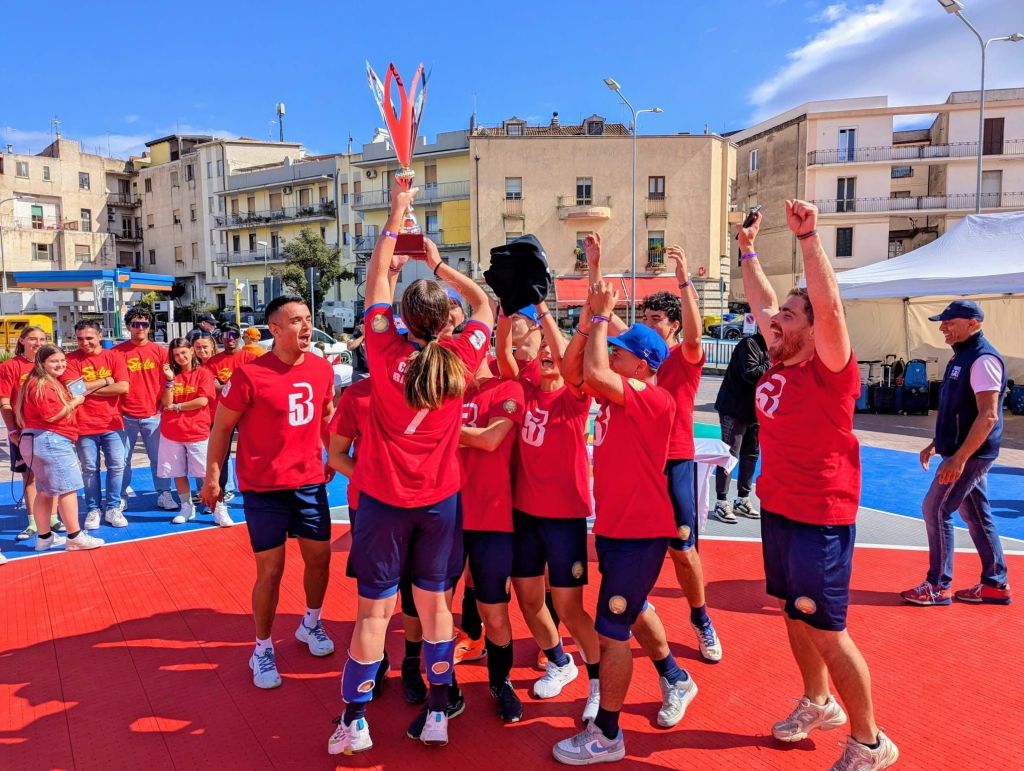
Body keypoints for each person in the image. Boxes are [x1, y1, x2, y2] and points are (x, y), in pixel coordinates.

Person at [329, 183, 493, 755]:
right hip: (440, 503)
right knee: (436, 609)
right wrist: (440, 265)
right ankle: (439, 713)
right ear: (446, 323)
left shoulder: (382, 352)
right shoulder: (463, 356)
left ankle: (354, 721)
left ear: (402, 319)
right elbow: (484, 306)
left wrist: (397, 216)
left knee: (373, 615)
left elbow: (376, 278)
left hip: (382, 501)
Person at [739, 201, 898, 769]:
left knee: (827, 629)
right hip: (780, 508)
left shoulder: (830, 370)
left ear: (812, 328)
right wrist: (747, 251)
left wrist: (809, 240)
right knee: (792, 612)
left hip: (819, 514)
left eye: (788, 314)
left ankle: (870, 742)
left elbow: (829, 310)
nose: (774, 319)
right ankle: (817, 701)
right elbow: (761, 300)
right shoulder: (781, 360)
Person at [553, 282, 692, 765]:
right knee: (634, 610)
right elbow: (575, 372)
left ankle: (609, 734)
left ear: (643, 366)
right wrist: (587, 322)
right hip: (616, 530)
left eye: (621, 352)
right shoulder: (617, 398)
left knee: (612, 632)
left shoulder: (654, 399)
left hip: (640, 532)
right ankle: (675, 676)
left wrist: (598, 318)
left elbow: (593, 370)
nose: (612, 356)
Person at [585, 233, 723, 663]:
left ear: (673, 326)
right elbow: (605, 313)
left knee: (682, 549)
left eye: (657, 318)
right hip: (638, 465)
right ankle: (638, 602)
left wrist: (685, 281)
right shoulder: (637, 355)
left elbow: (695, 334)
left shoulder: (682, 357)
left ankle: (701, 618)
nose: (648, 323)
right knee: (628, 545)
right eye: (644, 317)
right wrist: (594, 265)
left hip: (673, 459)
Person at [201, 295, 336, 692]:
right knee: (271, 571)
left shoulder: (322, 369)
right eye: (296, 321)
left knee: (320, 560)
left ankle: (311, 623)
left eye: (308, 318)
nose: (306, 326)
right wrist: (213, 477)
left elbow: (326, 414)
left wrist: (333, 452)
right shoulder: (250, 376)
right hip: (264, 488)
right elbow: (221, 428)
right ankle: (261, 647)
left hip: (309, 483)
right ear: (274, 330)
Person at [498, 300, 602, 721]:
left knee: (570, 607)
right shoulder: (522, 389)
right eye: (540, 353)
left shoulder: (574, 398)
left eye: (552, 354)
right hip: (524, 514)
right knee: (527, 599)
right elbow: (504, 352)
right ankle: (560, 660)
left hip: (564, 517)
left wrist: (543, 309)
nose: (546, 357)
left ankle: (598, 683)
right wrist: (504, 307)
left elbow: (565, 358)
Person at [901, 300, 1010, 606]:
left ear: (973, 323)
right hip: (963, 450)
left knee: (936, 508)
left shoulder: (983, 359)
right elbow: (958, 409)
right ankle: (995, 583)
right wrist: (938, 442)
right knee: (976, 514)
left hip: (972, 454)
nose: (942, 328)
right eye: (942, 322)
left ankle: (938, 585)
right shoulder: (961, 355)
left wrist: (959, 459)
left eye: (949, 322)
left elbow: (988, 416)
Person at [457, 352, 526, 723]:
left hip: (491, 517)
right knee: (433, 608)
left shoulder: (507, 389)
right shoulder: (445, 392)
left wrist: (440, 432)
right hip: (444, 515)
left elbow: (490, 439)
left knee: (495, 612)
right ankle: (442, 688)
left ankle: (501, 683)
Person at [14, 345, 104, 552]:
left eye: (63, 360)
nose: (60, 364)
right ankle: (75, 536)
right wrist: (75, 402)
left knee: (46, 491)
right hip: (51, 440)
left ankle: (44, 537)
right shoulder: (43, 384)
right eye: (54, 361)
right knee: (67, 489)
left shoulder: (36, 382)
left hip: (36, 440)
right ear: (42, 362)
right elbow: (51, 415)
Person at [62, 320, 130, 530]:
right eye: (80, 339)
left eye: (89, 338)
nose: (85, 343)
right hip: (84, 425)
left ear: (100, 336)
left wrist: (86, 388)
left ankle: (113, 507)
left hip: (113, 423)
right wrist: (106, 381)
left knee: (117, 466)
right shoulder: (70, 360)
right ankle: (93, 509)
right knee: (90, 469)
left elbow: (123, 387)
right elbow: (73, 390)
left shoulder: (114, 357)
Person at [115, 308, 176, 512]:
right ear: (128, 326)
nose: (140, 328)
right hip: (124, 416)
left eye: (144, 324)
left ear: (149, 327)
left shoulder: (160, 352)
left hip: (153, 415)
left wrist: (163, 405)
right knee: (122, 461)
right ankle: (120, 496)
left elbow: (169, 381)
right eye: (135, 324)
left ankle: (164, 493)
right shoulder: (116, 353)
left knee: (158, 458)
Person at [158, 338, 225, 526]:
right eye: (176, 354)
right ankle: (186, 507)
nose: (180, 357)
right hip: (171, 432)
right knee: (178, 472)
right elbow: (166, 402)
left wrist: (177, 406)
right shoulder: (169, 375)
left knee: (206, 473)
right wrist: (170, 380)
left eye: (183, 352)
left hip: (197, 431)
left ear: (191, 351)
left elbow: (202, 401)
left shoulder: (204, 373)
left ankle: (219, 508)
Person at [0, 325, 54, 540]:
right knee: (30, 476)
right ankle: (33, 521)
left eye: (42, 339)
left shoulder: (50, 363)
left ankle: (53, 518)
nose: (38, 343)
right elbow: (5, 402)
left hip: (51, 430)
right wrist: (12, 429)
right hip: (24, 432)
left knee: (51, 475)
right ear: (22, 340)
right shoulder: (10, 366)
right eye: (32, 339)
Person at [711, 327, 769, 523]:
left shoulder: (774, 346)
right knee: (730, 454)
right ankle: (721, 501)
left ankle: (742, 498)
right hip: (734, 409)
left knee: (751, 454)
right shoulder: (749, 344)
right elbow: (752, 374)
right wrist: (776, 361)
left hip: (756, 411)